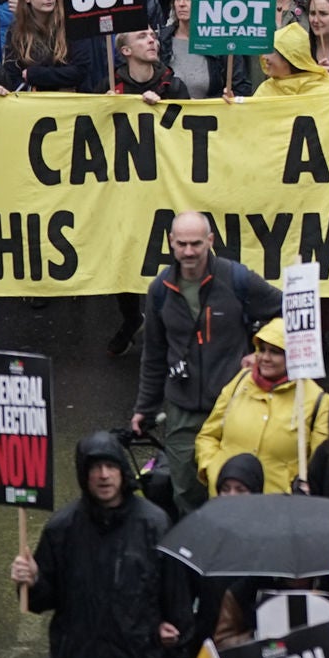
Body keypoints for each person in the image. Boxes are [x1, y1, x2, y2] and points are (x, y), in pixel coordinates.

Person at [17, 431, 172, 658]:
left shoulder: (154, 524)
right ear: (83, 474)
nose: (103, 476)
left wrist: (172, 635)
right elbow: (39, 602)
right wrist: (32, 581)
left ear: (122, 471)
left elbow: (175, 596)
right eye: (95, 468)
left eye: (110, 467)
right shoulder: (62, 528)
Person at [132, 213, 283, 510]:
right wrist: (144, 409)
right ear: (171, 243)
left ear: (210, 242)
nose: (189, 252)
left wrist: (261, 350)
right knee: (186, 490)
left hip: (235, 407)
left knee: (232, 488)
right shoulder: (159, 290)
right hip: (183, 409)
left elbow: (288, 309)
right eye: (183, 244)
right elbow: (154, 355)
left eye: (196, 244)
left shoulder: (237, 279)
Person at [193, 319, 329, 493]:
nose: (265, 358)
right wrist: (213, 470)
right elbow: (207, 436)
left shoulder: (318, 400)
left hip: (278, 508)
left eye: (275, 352)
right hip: (228, 500)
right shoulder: (239, 382)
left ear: (294, 355)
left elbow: (320, 465)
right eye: (262, 350)